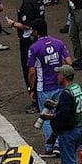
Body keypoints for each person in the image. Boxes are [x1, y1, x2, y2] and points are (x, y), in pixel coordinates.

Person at [26, 19, 70, 156]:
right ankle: (59, 144)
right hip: (59, 86)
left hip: (43, 87)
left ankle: (50, 145)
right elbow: (69, 62)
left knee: (46, 116)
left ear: (36, 31)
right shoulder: (59, 43)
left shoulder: (34, 48)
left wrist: (31, 88)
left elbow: (32, 72)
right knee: (59, 115)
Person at [41, 64, 82, 164]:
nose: (57, 75)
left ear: (64, 77)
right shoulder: (76, 88)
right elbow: (70, 106)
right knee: (71, 159)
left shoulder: (66, 94)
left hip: (69, 132)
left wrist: (49, 117)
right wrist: (55, 104)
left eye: (59, 74)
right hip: (79, 128)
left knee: (68, 161)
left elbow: (64, 115)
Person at [5, 0, 43, 111]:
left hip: (29, 42)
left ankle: (35, 100)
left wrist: (13, 24)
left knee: (31, 70)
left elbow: (26, 25)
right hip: (40, 38)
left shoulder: (27, 3)